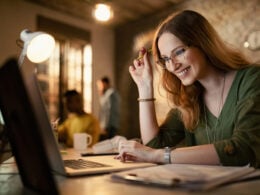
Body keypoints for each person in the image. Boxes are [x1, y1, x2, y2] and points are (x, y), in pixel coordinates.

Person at [116, 10, 260, 167]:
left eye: (179, 52)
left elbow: (245, 149)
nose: (172, 65)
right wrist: (144, 87)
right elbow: (153, 146)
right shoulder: (189, 99)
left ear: (203, 43)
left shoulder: (252, 79)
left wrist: (158, 155)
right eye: (165, 59)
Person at [97, 76, 121, 141]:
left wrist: (106, 126)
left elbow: (110, 111)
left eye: (100, 85)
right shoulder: (105, 94)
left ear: (105, 84)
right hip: (106, 125)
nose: (99, 87)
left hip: (110, 125)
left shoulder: (111, 94)